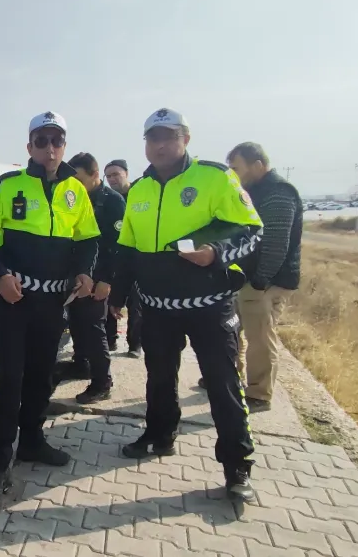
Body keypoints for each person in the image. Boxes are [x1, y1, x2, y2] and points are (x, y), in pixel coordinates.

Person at [108, 107, 263, 502]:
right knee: (158, 379)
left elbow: (250, 229)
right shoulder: (138, 189)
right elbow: (126, 247)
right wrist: (118, 296)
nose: (159, 145)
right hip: (157, 308)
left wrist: (215, 252)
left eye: (168, 136)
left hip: (209, 306)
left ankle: (237, 465)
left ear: (185, 139)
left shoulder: (214, 177)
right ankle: (160, 435)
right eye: (152, 138)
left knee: (224, 386)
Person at [0, 111, 101, 500]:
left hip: (53, 303)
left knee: (42, 375)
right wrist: (1, 275)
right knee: (10, 379)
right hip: (15, 301)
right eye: (41, 141)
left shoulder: (76, 189)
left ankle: (32, 441)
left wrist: (84, 271)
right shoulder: (9, 185)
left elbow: (89, 238)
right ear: (29, 146)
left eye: (57, 140)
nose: (49, 148)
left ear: (64, 146)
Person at [200, 142, 301, 412]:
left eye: (236, 168)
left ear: (258, 165)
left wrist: (260, 281)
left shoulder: (278, 193)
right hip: (245, 278)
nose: (232, 174)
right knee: (232, 329)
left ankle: (259, 393)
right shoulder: (251, 192)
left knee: (260, 338)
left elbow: (276, 243)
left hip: (266, 281)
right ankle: (229, 376)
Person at [62, 152, 126, 404]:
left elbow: (118, 246)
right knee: (76, 324)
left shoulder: (112, 202)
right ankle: (81, 364)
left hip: (98, 277)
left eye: (80, 179)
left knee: (94, 329)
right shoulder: (75, 198)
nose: (75, 185)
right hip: (77, 276)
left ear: (95, 175)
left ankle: (102, 382)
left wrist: (107, 281)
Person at [103, 159, 142, 357]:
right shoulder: (107, 198)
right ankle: (110, 340)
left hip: (134, 255)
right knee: (110, 298)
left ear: (126, 173)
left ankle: (135, 344)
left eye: (115, 174)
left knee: (135, 302)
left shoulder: (139, 193)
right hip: (114, 256)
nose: (112, 179)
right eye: (108, 176)